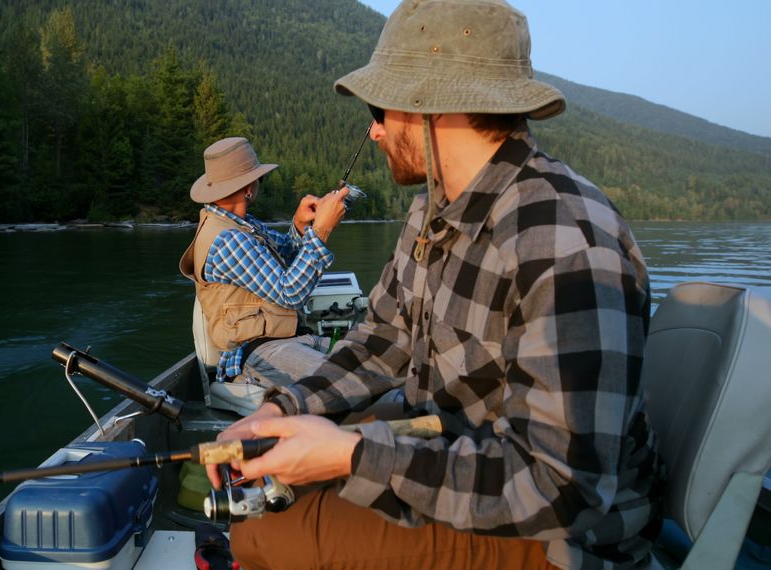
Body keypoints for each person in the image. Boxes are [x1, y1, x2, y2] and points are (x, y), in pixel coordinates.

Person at [206, 1, 665, 569]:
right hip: (452, 454)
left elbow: (560, 488)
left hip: (560, 541)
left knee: (260, 536)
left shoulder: (561, 235)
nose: (373, 130)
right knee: (270, 491)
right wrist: (284, 407)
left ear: (432, 107)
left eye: (380, 107)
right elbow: (383, 339)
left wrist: (353, 456)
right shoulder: (432, 210)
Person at [179, 137, 350, 413]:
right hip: (256, 355)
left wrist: (298, 225)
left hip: (284, 342)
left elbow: (285, 256)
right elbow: (289, 293)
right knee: (347, 383)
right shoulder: (228, 240)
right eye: (258, 178)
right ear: (248, 188)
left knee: (368, 360)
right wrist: (321, 231)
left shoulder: (241, 225)